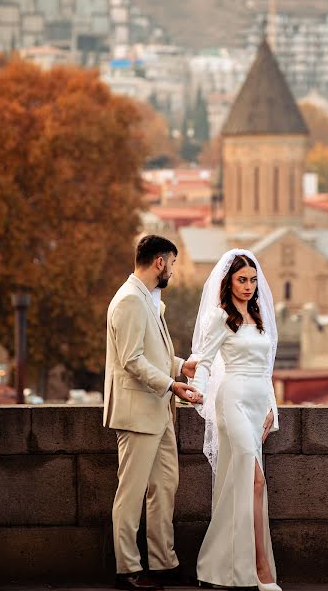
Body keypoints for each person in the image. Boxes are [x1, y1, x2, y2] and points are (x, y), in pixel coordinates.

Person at [103, 234, 202, 591]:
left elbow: (152, 354)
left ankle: (162, 562)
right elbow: (131, 360)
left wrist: (180, 366)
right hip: (137, 411)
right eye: (172, 264)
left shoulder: (145, 299)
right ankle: (127, 569)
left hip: (158, 410)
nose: (173, 272)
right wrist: (173, 385)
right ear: (160, 262)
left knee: (164, 486)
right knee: (130, 494)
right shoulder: (129, 299)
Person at [190, 249, 282, 591]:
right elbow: (204, 361)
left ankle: (215, 567)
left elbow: (267, 370)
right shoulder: (219, 317)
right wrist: (197, 390)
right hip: (232, 401)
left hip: (258, 402)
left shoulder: (259, 317)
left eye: (253, 280)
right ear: (228, 281)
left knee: (240, 483)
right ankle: (260, 569)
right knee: (254, 481)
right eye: (242, 280)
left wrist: (274, 409)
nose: (248, 286)